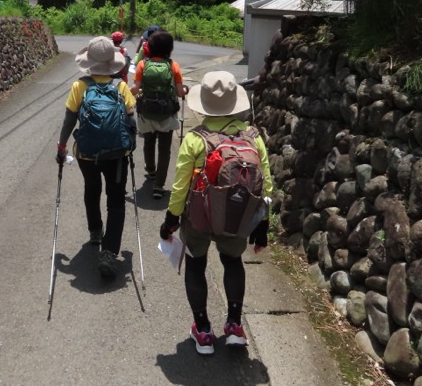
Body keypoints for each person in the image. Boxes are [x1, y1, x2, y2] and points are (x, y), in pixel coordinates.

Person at [159, 71, 274, 355]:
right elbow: (266, 184)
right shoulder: (252, 138)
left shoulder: (196, 140)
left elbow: (180, 185)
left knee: (196, 265)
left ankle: (203, 331)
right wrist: (263, 225)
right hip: (237, 217)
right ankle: (234, 325)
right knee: (233, 261)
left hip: (199, 218)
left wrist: (171, 219)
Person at [56, 36, 137, 278]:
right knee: (116, 199)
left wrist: (61, 147)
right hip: (116, 154)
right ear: (113, 63)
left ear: (88, 62)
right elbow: (131, 120)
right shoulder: (120, 87)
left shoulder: (79, 86)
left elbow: (70, 120)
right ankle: (110, 252)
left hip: (87, 153)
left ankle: (95, 231)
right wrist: (130, 147)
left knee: (92, 188)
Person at [130, 30, 188, 199]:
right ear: (169, 48)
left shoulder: (143, 65)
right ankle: (159, 186)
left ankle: (151, 169)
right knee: (165, 149)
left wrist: (125, 94)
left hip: (147, 112)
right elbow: (178, 92)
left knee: (148, 141)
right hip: (166, 114)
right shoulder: (173, 66)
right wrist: (185, 89)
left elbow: (135, 89)